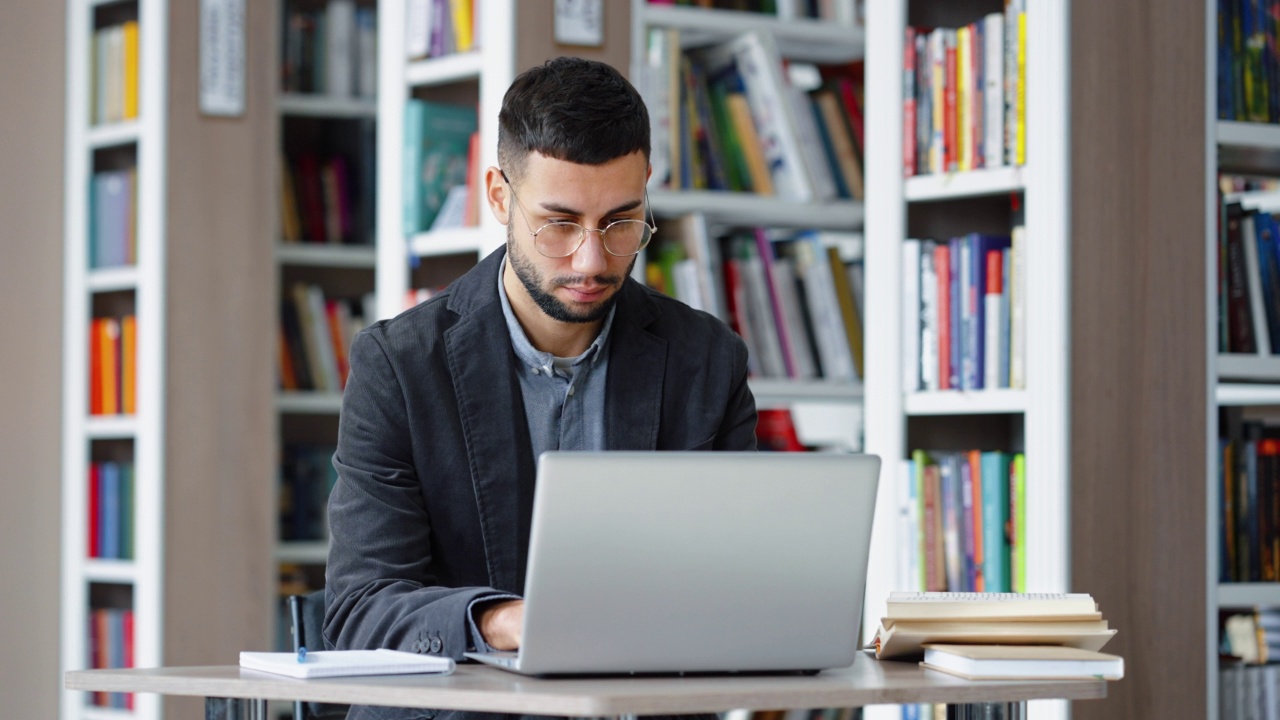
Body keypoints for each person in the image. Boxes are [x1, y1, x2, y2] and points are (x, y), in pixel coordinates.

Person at [324, 56, 757, 720]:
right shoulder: (399, 367)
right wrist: (505, 620)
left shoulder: (708, 362)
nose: (591, 259)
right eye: (559, 223)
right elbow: (360, 612)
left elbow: (736, 585)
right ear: (499, 195)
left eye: (621, 222)